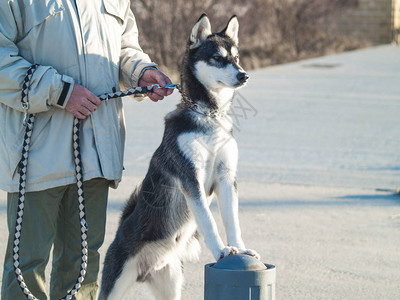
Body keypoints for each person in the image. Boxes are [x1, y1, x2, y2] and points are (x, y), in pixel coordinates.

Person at [0, 1, 172, 299]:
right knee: (27, 267)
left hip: (96, 150)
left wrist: (140, 72)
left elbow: (123, 46)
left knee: (82, 265)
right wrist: (58, 91)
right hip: (38, 154)